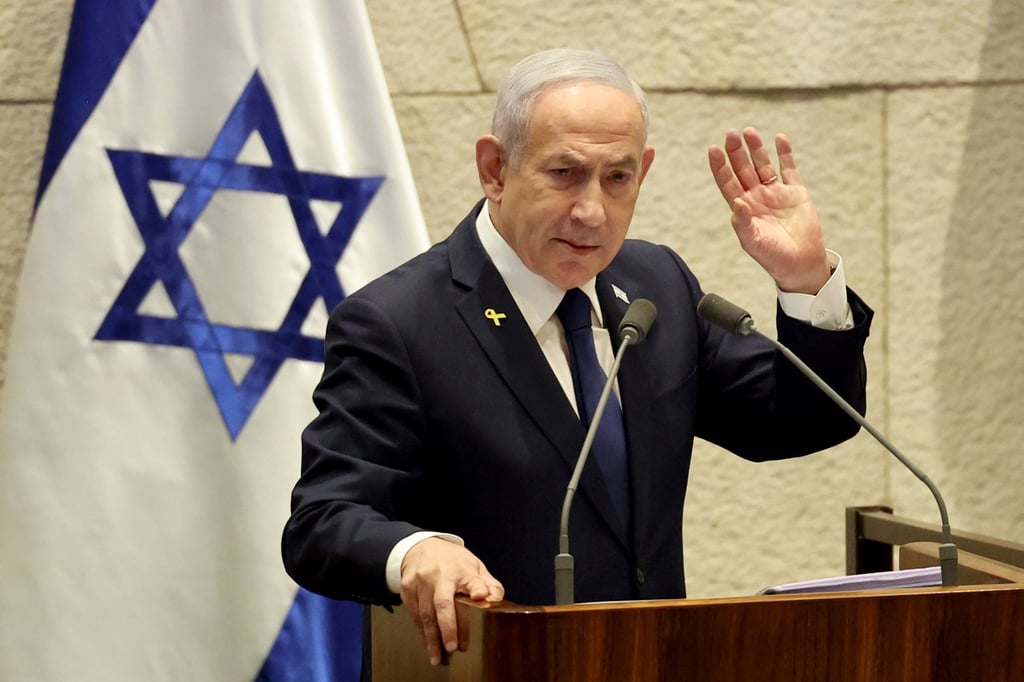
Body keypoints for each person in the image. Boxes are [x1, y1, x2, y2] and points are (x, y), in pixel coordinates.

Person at [282, 48, 873, 669]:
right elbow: (323, 521)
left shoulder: (656, 285)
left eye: (617, 178)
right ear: (495, 169)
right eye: (564, 173)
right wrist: (417, 551)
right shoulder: (399, 322)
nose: (592, 212)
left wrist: (805, 280)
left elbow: (805, 418)